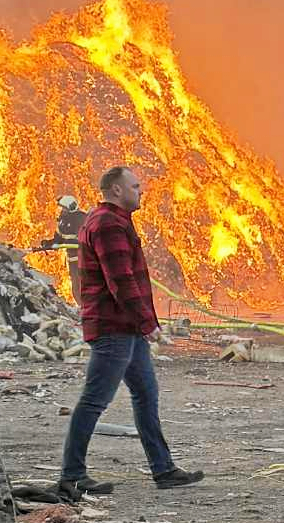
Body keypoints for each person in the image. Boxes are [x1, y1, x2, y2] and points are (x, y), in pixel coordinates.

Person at [58, 165, 204, 502]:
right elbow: (120, 281)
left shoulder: (111, 221)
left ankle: (163, 469)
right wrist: (147, 323)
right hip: (114, 328)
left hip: (125, 328)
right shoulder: (108, 224)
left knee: (146, 394)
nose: (141, 191)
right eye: (135, 186)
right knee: (94, 401)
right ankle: (72, 476)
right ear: (117, 191)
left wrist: (142, 324)